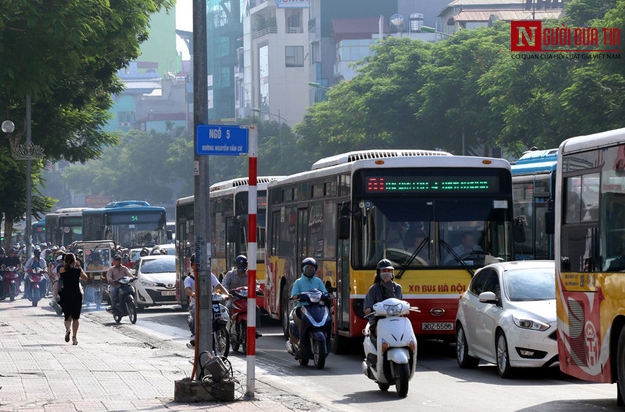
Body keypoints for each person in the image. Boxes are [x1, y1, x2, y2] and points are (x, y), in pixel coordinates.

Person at [185, 253, 228, 346]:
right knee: (196, 312)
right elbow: (187, 289)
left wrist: (227, 294)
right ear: (192, 265)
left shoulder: (210, 275)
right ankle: (194, 335)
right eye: (197, 264)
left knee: (223, 310)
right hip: (195, 304)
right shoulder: (189, 279)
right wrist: (192, 294)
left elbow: (218, 286)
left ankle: (222, 330)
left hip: (210, 302)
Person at [289, 257, 327, 346]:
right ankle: (301, 341)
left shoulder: (318, 281)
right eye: (308, 267)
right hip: (302, 308)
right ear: (303, 268)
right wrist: (298, 296)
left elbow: (324, 292)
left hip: (316, 307)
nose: (310, 269)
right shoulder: (298, 282)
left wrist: (326, 295)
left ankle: (328, 337)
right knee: (303, 321)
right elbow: (293, 295)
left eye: (312, 268)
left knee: (327, 316)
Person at [222, 255, 262, 337]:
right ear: (236, 265)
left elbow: (256, 284)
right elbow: (224, 284)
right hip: (233, 298)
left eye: (243, 265)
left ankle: (254, 329)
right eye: (239, 265)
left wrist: (257, 289)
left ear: (246, 265)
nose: (241, 267)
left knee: (256, 309)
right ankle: (228, 326)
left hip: (246, 299)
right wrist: (227, 293)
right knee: (228, 306)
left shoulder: (250, 274)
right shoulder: (230, 274)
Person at [363, 259, 403, 336]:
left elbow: (396, 305)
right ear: (379, 273)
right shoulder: (373, 289)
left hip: (395, 321)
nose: (387, 273)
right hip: (377, 322)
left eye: (389, 271)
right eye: (384, 271)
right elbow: (367, 310)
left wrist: (390, 289)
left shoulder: (398, 288)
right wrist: (373, 309)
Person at [58, 253, 88, 345]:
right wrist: (80, 267)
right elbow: (85, 278)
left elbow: (60, 278)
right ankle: (74, 338)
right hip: (76, 295)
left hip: (66, 294)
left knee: (67, 317)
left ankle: (68, 329)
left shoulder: (62, 270)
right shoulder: (77, 270)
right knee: (75, 318)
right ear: (75, 261)